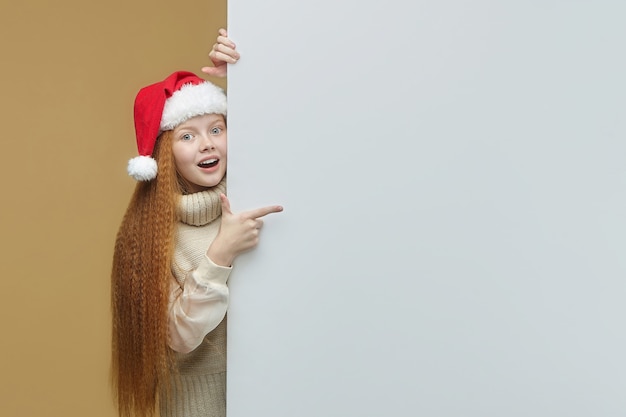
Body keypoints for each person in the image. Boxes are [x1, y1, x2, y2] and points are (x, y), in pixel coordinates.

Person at [111, 29, 283, 417]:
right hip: (199, 403)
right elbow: (179, 336)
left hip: (275, 384)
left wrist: (243, 75)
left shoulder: (251, 189)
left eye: (216, 129)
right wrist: (221, 251)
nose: (207, 144)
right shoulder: (154, 234)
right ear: (163, 154)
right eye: (188, 135)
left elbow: (289, 127)